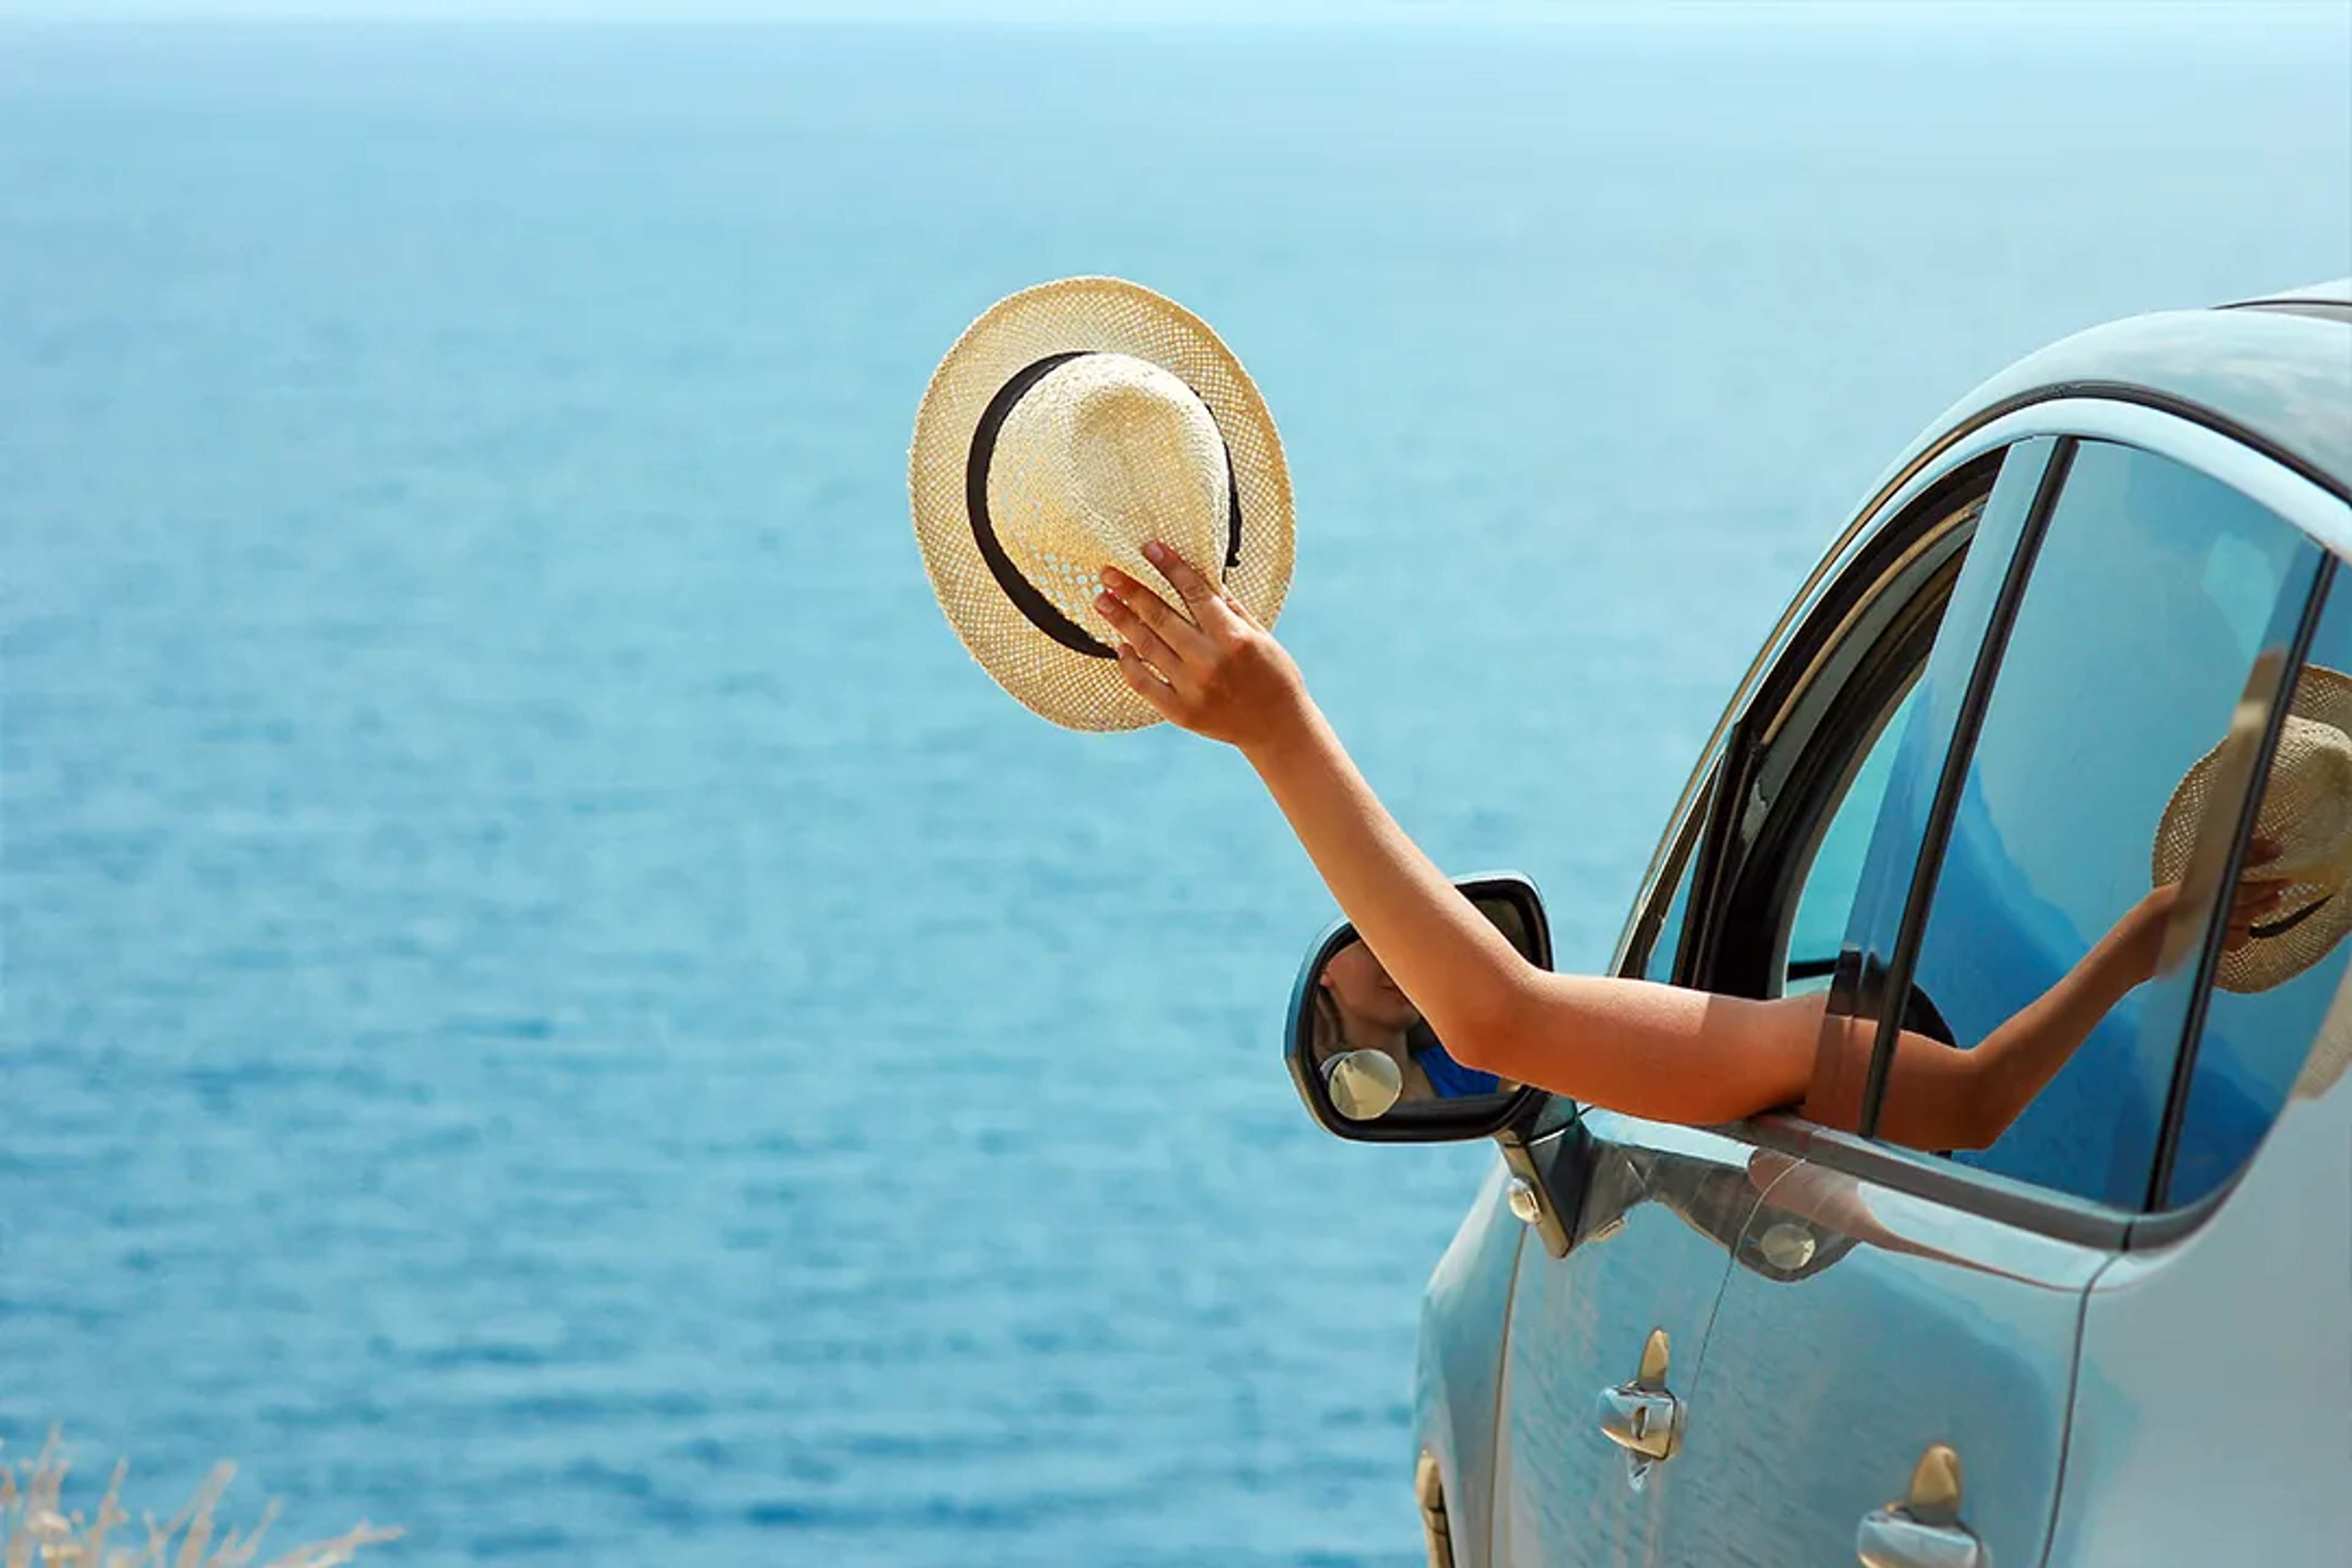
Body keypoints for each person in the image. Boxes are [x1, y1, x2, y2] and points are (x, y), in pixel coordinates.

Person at [1093, 541, 2294, 1148]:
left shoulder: (1805, 1045)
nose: (1434, 1032)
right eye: (1397, 1052)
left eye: (1400, 994)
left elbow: (1500, 1020)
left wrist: (1280, 731)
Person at [1313, 938, 1502, 1102]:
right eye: (1371, 943)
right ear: (1324, 966)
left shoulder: (1475, 1066)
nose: (1402, 964)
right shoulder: (1318, 1091)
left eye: (1411, 944)